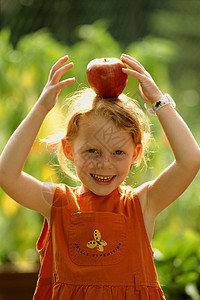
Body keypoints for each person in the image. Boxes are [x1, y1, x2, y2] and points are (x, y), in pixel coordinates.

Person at [0, 54, 199, 300]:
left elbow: (190, 160)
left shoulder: (142, 204)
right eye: (92, 151)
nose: (105, 164)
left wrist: (159, 101)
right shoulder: (56, 203)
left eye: (118, 152)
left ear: (135, 154)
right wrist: (42, 107)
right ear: (68, 150)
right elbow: (7, 174)